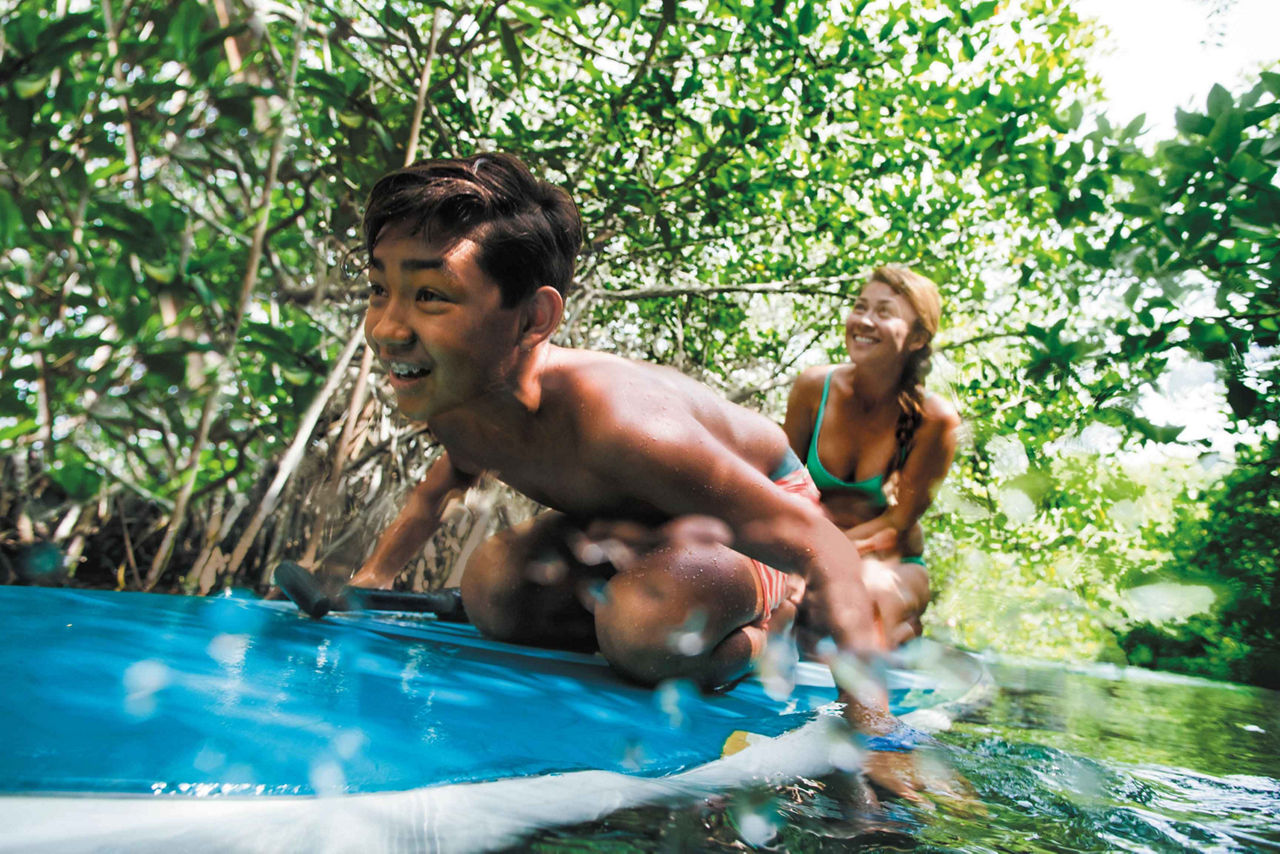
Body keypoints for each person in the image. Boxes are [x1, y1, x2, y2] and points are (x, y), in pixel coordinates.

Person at [344, 152, 917, 704]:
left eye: (430, 296)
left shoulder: (622, 423)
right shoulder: (457, 398)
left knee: (645, 627)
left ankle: (766, 630)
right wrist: (371, 580)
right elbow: (436, 490)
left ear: (534, 319)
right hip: (638, 531)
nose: (389, 328)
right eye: (378, 289)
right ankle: (655, 622)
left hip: (757, 509)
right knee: (491, 590)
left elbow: (830, 551)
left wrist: (872, 731)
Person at [783, 267, 960, 648]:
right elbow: (782, 483)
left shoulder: (936, 420)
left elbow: (897, 522)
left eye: (884, 312)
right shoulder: (813, 387)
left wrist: (822, 561)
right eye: (860, 307)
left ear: (916, 338)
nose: (864, 320)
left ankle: (900, 628)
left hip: (886, 564)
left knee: (849, 605)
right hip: (803, 549)